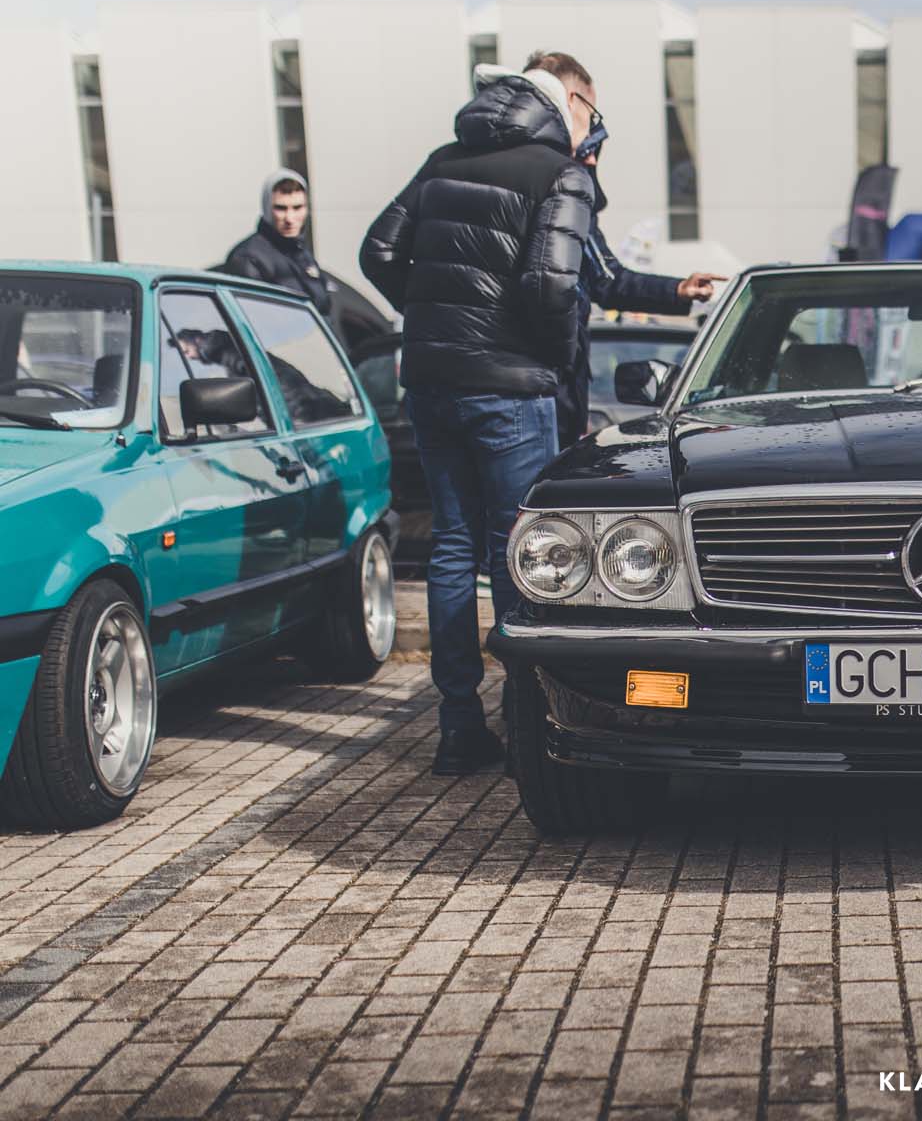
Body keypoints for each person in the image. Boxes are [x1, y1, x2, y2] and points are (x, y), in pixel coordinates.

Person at [360, 52, 706, 776]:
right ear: (570, 104)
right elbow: (554, 287)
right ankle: (526, 724)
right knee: (524, 550)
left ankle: (458, 726)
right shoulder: (560, 172)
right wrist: (539, 357)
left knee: (453, 547)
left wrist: (436, 320)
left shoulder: (444, 160)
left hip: (431, 379)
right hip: (511, 387)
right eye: (593, 113)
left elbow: (378, 252)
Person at [494, 54, 723, 442]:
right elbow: (598, 279)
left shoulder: (459, 162)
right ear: (570, 102)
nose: (592, 153)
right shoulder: (561, 180)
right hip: (536, 388)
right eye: (591, 116)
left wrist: (676, 290)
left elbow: (387, 253)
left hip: (456, 385)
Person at [218, 169, 331, 319]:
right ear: (267, 208)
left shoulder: (301, 253)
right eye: (281, 208)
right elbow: (256, 319)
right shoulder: (248, 257)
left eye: (297, 207)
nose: (290, 218)